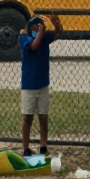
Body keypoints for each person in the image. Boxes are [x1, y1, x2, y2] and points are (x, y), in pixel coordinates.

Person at [20, 15, 62, 157]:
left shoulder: (44, 38)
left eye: (40, 25)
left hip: (42, 84)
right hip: (29, 86)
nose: (38, 28)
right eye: (36, 26)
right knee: (28, 117)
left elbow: (58, 33)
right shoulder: (24, 38)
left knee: (43, 116)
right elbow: (33, 46)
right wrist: (39, 33)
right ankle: (26, 148)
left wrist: (57, 24)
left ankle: (43, 145)